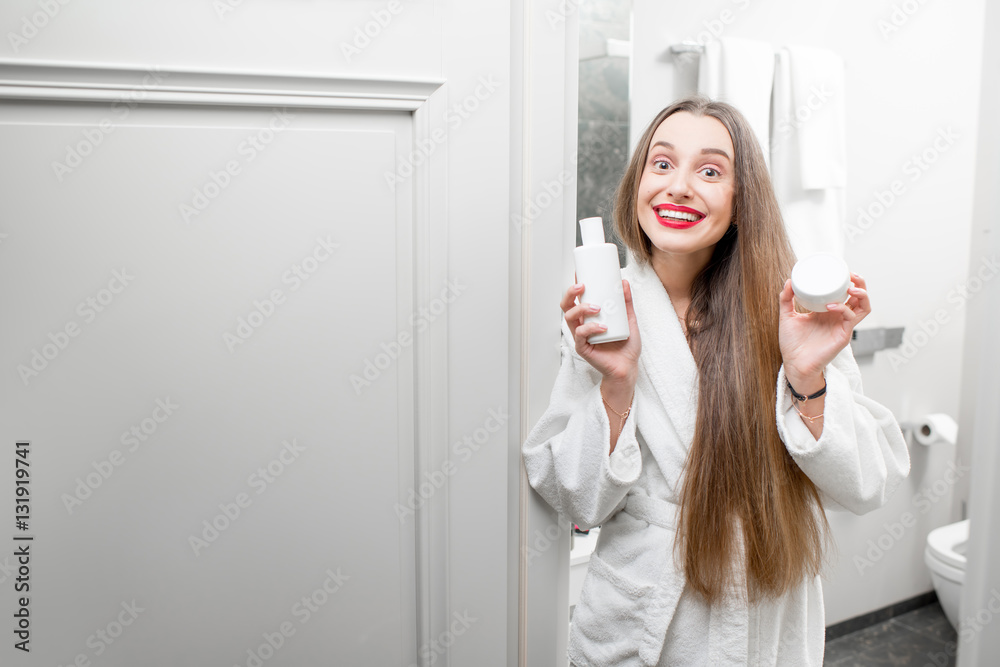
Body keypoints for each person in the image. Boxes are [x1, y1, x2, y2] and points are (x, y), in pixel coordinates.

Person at [521, 96, 910, 666]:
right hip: (647, 619)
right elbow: (578, 499)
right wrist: (617, 383)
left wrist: (806, 374)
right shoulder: (603, 310)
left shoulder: (790, 310)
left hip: (762, 614)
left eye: (709, 170)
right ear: (637, 181)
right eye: (661, 163)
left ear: (740, 198)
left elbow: (867, 484)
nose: (678, 187)